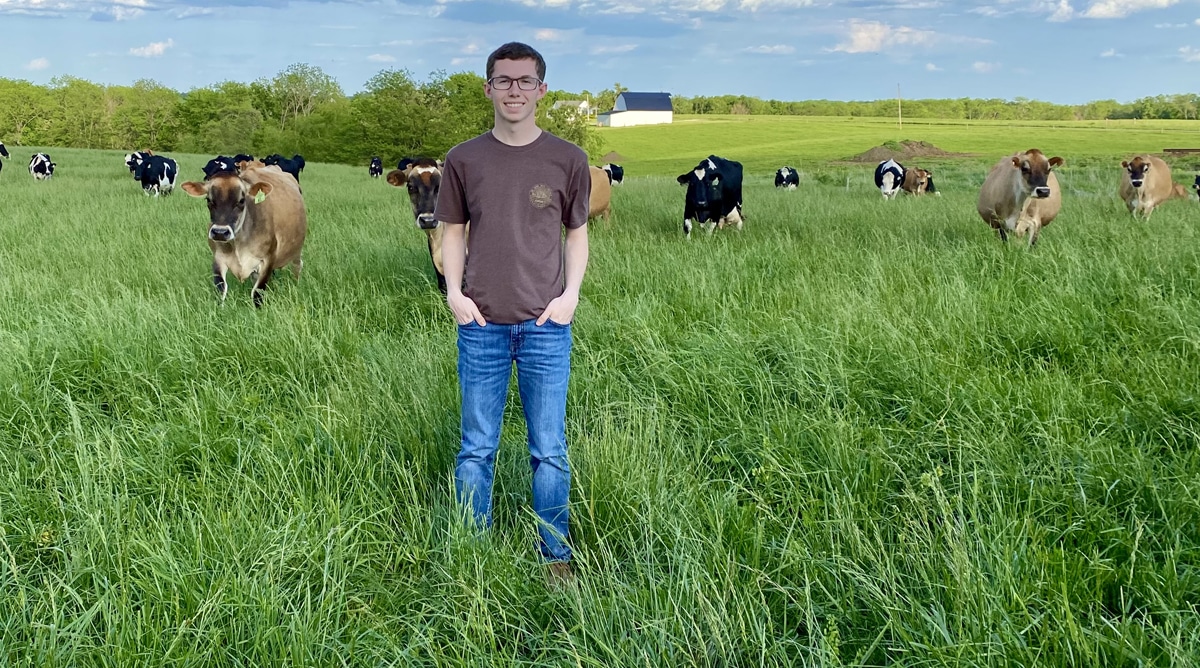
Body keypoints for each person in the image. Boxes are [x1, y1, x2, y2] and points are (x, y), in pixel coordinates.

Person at [434, 42, 590, 585]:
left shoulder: (568, 159)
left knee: (549, 449)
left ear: (542, 90)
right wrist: (454, 293)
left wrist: (569, 298)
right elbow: (452, 231)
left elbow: (577, 234)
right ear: (489, 89)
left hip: (547, 325)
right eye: (504, 81)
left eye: (526, 81)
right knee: (476, 447)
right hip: (481, 325)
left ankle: (555, 556)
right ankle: (471, 553)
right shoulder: (463, 158)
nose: (515, 90)